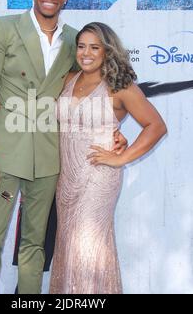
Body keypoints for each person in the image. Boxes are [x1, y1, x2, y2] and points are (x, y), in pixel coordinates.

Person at [0, 0, 127, 294]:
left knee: (34, 247)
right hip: (4, 155)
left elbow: (97, 85)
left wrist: (114, 128)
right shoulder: (3, 28)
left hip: (48, 158)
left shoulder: (75, 40)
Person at [50, 23, 167, 294]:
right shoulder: (69, 79)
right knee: (68, 245)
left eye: (94, 47)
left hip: (98, 176)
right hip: (66, 177)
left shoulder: (120, 86)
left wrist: (121, 158)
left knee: (88, 247)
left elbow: (156, 126)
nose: (86, 53)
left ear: (107, 51)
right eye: (81, 46)